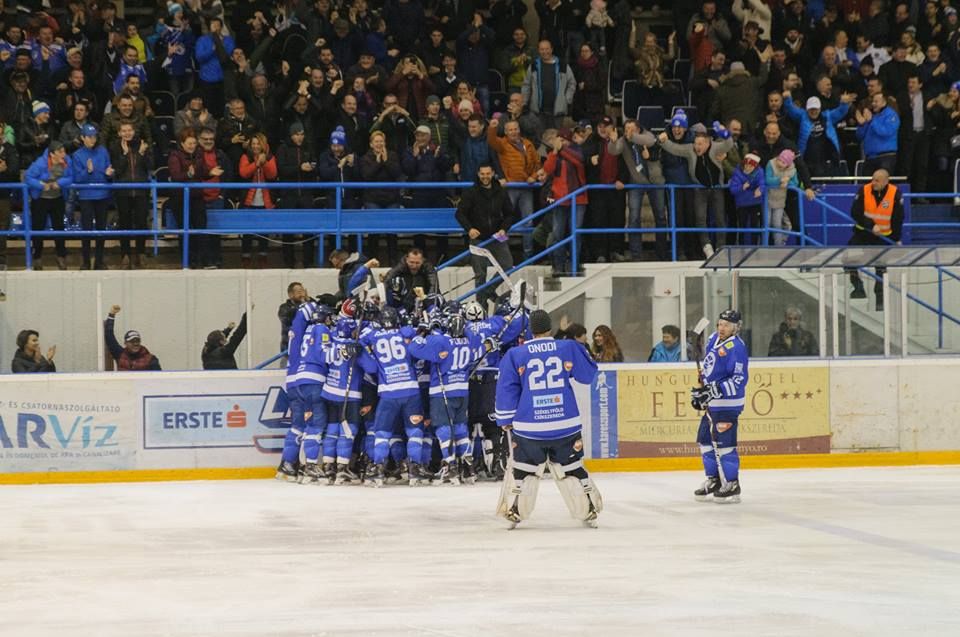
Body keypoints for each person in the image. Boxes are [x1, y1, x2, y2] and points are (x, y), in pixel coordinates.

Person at [495, 309, 602, 528]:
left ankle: (515, 509)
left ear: (530, 331)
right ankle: (588, 507)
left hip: (529, 426)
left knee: (524, 469)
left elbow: (507, 389)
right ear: (550, 328)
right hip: (565, 423)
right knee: (571, 466)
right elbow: (588, 375)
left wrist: (504, 419)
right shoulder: (569, 347)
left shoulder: (515, 354)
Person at [357, 306, 425, 487]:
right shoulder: (406, 332)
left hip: (388, 393)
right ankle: (414, 470)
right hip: (411, 391)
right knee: (415, 432)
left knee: (382, 434)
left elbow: (370, 367)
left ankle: (378, 469)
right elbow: (418, 353)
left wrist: (360, 351)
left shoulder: (373, 335)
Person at [690, 309, 749, 503]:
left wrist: (713, 390)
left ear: (736, 328)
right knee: (705, 441)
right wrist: (703, 391)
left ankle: (732, 483)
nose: (722, 328)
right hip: (712, 404)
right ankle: (714, 479)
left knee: (725, 446)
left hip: (727, 405)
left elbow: (740, 379)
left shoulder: (737, 347)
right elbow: (709, 368)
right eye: (720, 324)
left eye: (727, 325)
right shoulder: (714, 338)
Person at [658, 122, 735, 259]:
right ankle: (707, 247)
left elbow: (728, 144)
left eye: (700, 144)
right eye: (695, 143)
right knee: (700, 219)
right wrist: (663, 141)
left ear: (707, 143)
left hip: (717, 188)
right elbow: (674, 148)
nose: (696, 147)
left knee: (720, 219)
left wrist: (725, 133)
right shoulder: (690, 149)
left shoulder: (715, 147)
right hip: (700, 189)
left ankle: (720, 248)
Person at [455, 163, 518, 309]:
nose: (485, 176)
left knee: (508, 265)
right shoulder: (471, 192)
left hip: (497, 237)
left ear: (493, 173)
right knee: (480, 276)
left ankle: (488, 292)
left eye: (488, 173)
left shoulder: (500, 191)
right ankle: (481, 311)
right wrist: (469, 229)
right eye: (482, 174)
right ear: (478, 174)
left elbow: (510, 214)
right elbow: (459, 213)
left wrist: (504, 229)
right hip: (478, 239)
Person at [847, 169, 904, 311]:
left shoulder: (895, 193)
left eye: (877, 180)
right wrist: (871, 225)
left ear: (886, 181)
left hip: (883, 237)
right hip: (863, 233)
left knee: (881, 267)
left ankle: (880, 299)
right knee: (848, 258)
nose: (873, 183)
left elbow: (898, 218)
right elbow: (855, 212)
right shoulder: (864, 190)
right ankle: (857, 287)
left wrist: (896, 239)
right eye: (873, 179)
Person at [109, 122, 153, 269]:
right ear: (119, 133)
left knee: (141, 223)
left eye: (129, 130)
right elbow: (118, 170)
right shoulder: (115, 148)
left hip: (141, 191)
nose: (127, 133)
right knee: (125, 223)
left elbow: (150, 166)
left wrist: (141, 153)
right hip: (123, 192)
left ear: (134, 131)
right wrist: (124, 153)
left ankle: (141, 254)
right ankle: (125, 255)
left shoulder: (143, 145)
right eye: (124, 130)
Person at [71, 124, 114, 270]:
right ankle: (86, 261)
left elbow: (109, 169)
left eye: (94, 136)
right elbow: (76, 179)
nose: (93, 139)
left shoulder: (103, 151)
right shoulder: (77, 155)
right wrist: (87, 171)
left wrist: (110, 174)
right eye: (89, 137)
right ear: (83, 138)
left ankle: (99, 261)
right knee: (87, 230)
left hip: (102, 195)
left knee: (101, 230)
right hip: (86, 197)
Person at [24, 140, 73, 271]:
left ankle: (61, 256)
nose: (64, 154)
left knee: (59, 228)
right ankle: (37, 258)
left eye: (64, 151)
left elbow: (71, 177)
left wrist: (60, 183)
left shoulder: (67, 161)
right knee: (38, 228)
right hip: (40, 199)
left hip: (57, 197)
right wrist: (42, 185)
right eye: (60, 152)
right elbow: (28, 177)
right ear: (52, 154)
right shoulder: (40, 163)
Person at [237, 132, 277, 268]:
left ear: (263, 144)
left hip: (264, 199)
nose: (255, 146)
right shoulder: (245, 157)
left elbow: (272, 174)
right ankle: (245, 256)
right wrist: (256, 163)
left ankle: (263, 256)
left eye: (257, 143)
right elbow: (243, 173)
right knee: (247, 230)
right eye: (253, 143)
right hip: (249, 199)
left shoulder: (270, 157)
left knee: (263, 231)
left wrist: (264, 162)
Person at [104, 304, 162, 371]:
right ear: (125, 343)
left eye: (137, 341)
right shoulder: (120, 354)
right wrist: (112, 315)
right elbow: (109, 336)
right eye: (132, 341)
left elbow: (158, 378)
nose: (135, 344)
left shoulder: (151, 359)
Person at [855, 92, 900, 175]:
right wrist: (862, 124)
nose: (873, 104)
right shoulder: (871, 116)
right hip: (869, 158)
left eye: (876, 101)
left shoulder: (891, 115)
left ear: (884, 102)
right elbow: (859, 136)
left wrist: (872, 120)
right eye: (873, 101)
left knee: (882, 185)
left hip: (886, 157)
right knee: (866, 185)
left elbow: (885, 132)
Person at [382, 248, 440, 312]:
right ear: (406, 260)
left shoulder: (428, 268)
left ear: (422, 261)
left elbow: (433, 285)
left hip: (424, 298)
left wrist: (427, 299)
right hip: (404, 300)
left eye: (417, 263)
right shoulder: (401, 265)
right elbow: (388, 279)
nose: (414, 266)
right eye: (411, 262)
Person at [728, 153, 765, 245]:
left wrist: (760, 189)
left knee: (755, 227)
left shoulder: (759, 172)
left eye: (751, 166)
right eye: (746, 165)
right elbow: (733, 189)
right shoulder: (737, 173)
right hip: (742, 204)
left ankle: (754, 247)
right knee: (742, 226)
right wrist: (742, 187)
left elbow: (763, 183)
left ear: (755, 166)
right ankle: (741, 246)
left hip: (755, 203)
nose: (748, 167)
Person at [764, 149, 798, 246]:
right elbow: (767, 180)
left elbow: (795, 183)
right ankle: (764, 245)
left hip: (780, 201)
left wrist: (787, 183)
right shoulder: (771, 164)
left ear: (788, 164)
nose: (779, 163)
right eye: (779, 160)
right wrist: (780, 180)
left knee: (777, 224)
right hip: (768, 199)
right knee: (767, 224)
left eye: (783, 162)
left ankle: (778, 246)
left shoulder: (792, 170)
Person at [278, 282, 307, 355]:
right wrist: (304, 304)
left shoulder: (308, 304)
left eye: (302, 290)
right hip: (289, 348)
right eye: (298, 292)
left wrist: (308, 301)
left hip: (306, 349)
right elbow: (289, 317)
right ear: (291, 295)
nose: (301, 294)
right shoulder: (284, 308)